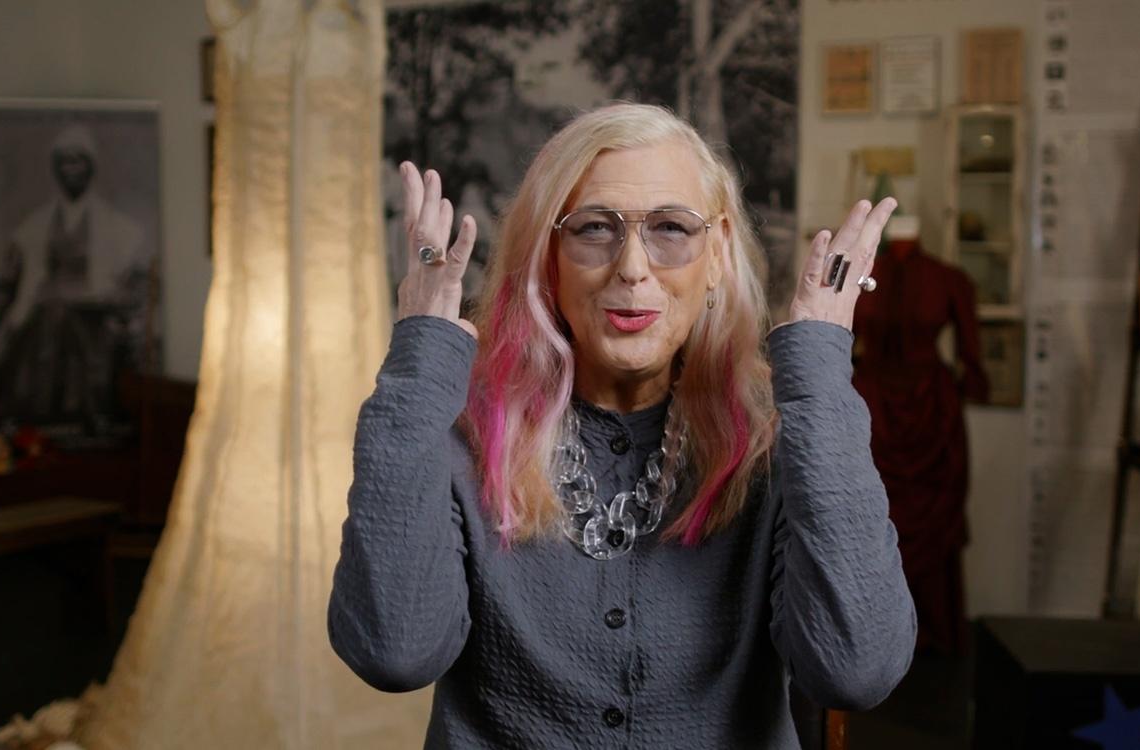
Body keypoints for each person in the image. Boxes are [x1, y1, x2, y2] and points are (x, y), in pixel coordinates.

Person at [328, 103, 916, 748]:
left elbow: (857, 670)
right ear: (547, 257)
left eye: (670, 227)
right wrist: (418, 366)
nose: (633, 267)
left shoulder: (784, 437)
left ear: (716, 254)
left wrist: (820, 375)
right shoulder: (454, 426)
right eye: (594, 229)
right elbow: (394, 652)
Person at [851, 216, 988, 656]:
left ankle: (913, 635)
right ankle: (877, 637)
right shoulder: (942, 278)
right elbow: (972, 360)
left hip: (907, 407)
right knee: (869, 513)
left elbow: (971, 351)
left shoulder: (943, 279)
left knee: (908, 512)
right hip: (896, 407)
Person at [0, 124, 149, 437]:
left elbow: (131, 289)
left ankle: (88, 419)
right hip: (44, 311)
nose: (71, 169)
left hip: (93, 312)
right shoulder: (36, 224)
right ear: (56, 169)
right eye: (64, 162)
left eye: (78, 160)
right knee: (34, 336)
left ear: (91, 166)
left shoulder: (116, 226)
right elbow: (9, 282)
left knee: (75, 329)